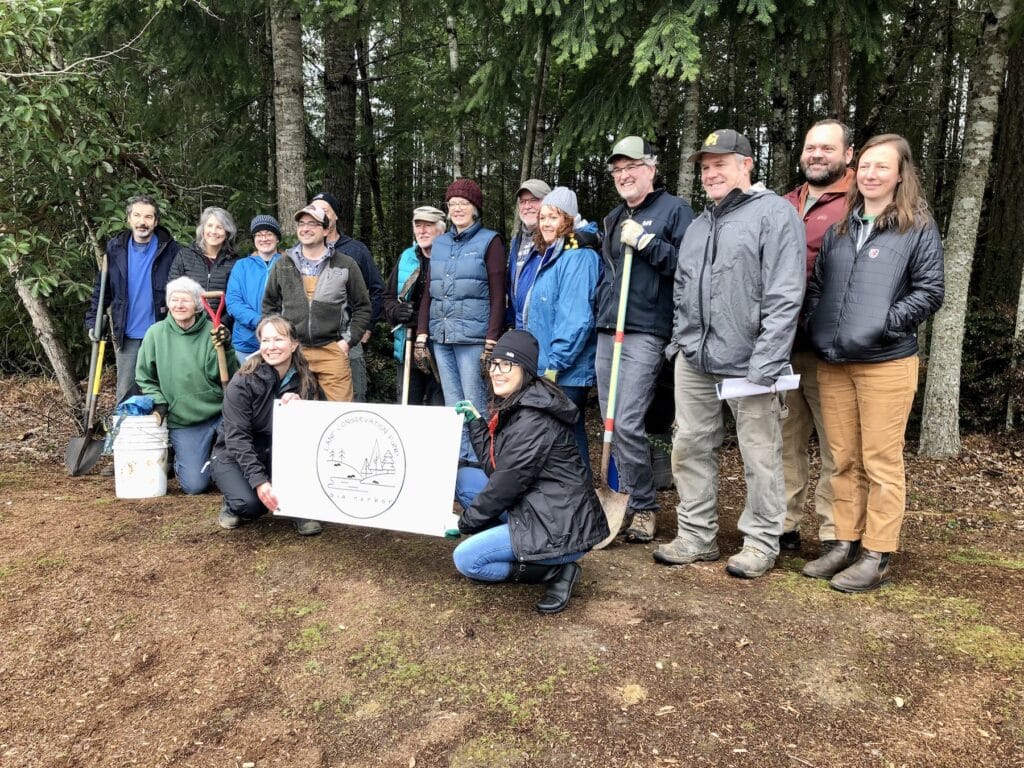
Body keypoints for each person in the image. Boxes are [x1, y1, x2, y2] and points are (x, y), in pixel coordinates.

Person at [657, 129, 805, 579]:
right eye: (705, 166)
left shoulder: (775, 214)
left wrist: (767, 359)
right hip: (695, 360)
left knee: (760, 454)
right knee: (689, 446)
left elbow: (785, 293)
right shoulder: (699, 225)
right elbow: (683, 288)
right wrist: (680, 343)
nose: (711, 172)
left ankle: (762, 542)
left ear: (747, 164)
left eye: (720, 163)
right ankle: (696, 536)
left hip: (751, 363)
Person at [801, 134, 944, 592]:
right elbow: (820, 285)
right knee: (843, 459)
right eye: (864, 166)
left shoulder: (916, 225)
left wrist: (883, 323)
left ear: (900, 174)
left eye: (882, 167)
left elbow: (929, 291)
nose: (871, 174)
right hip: (834, 361)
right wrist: (819, 326)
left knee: (881, 461)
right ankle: (844, 543)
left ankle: (877, 554)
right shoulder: (843, 228)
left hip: (885, 361)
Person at [451, 330, 609, 614]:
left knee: (468, 559)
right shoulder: (519, 403)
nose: (496, 372)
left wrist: (466, 524)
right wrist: (476, 424)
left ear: (524, 369)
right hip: (535, 506)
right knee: (465, 480)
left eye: (506, 365)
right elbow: (497, 468)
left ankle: (552, 570)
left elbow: (503, 486)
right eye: (493, 364)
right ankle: (515, 544)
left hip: (560, 528)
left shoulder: (532, 419)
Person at [597, 136, 694, 543]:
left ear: (651, 169)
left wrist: (649, 243)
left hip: (645, 330)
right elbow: (607, 273)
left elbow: (689, 268)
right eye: (618, 171)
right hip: (608, 329)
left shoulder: (675, 211)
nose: (624, 176)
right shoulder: (612, 218)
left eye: (631, 168)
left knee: (628, 422)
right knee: (609, 423)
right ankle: (619, 498)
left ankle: (644, 506)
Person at [779, 119, 856, 554]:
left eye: (827, 148)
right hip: (783, 346)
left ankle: (834, 533)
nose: (817, 154)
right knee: (785, 442)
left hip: (832, 348)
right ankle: (785, 525)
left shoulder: (858, 203)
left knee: (837, 447)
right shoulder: (785, 202)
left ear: (848, 154)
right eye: (811, 147)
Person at [415, 179, 506, 464]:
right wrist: (421, 335)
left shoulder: (490, 241)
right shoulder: (440, 243)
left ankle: (481, 461)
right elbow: (430, 292)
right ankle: (461, 460)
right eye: (452, 204)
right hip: (441, 338)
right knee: (453, 404)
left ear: (475, 208)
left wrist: (492, 340)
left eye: (463, 204)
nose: (457, 209)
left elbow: (497, 294)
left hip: (473, 339)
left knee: (475, 403)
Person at [211, 315, 323, 536]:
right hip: (235, 454)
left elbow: (318, 428)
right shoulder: (243, 381)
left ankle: (299, 509)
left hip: (280, 456)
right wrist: (260, 482)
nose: (271, 347)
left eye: (279, 340)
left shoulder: (306, 379)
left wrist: (303, 411)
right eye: (265, 340)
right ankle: (232, 501)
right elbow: (236, 438)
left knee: (292, 493)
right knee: (252, 504)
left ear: (293, 344)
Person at [518, 186, 600, 470]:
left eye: (554, 217)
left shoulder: (578, 257)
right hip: (547, 364)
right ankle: (566, 501)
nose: (546, 223)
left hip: (565, 370)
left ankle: (581, 501)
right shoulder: (555, 254)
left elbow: (576, 317)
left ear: (569, 218)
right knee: (554, 436)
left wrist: (556, 362)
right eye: (543, 217)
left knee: (567, 436)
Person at [135, 276, 239, 495]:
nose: (179, 305)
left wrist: (226, 349)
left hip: (219, 411)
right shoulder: (155, 334)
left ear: (198, 305)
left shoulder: (213, 331)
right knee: (194, 486)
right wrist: (160, 402)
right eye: (174, 299)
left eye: (186, 300)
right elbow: (145, 377)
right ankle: (204, 462)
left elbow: (227, 375)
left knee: (237, 469)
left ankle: (221, 462)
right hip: (184, 418)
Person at [262, 204, 371, 402]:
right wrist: (279, 340)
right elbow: (269, 306)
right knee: (294, 412)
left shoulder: (345, 264)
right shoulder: (283, 264)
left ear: (326, 230)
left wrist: (347, 341)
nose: (305, 228)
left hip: (332, 350)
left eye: (312, 223)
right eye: (301, 223)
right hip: (295, 352)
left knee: (340, 416)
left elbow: (363, 306)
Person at [85, 194, 180, 405]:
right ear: (128, 219)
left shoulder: (171, 250)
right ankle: (127, 436)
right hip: (127, 336)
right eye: (137, 215)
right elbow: (102, 289)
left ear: (155, 222)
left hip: (162, 334)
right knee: (126, 395)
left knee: (163, 392)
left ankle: (164, 437)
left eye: (148, 217)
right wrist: (94, 320)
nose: (142, 222)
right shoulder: (115, 248)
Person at [310, 192, 384, 402]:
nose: (320, 215)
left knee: (354, 398)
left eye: (325, 210)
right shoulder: (304, 252)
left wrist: (367, 326)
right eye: (315, 211)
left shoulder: (356, 250)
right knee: (312, 401)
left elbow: (377, 289)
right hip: (312, 339)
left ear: (335, 216)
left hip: (347, 336)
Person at [383, 206, 447, 405]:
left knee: (440, 407)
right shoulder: (407, 257)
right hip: (408, 346)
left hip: (441, 348)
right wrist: (395, 311)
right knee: (408, 406)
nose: (422, 231)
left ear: (441, 230)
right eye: (418, 226)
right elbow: (388, 297)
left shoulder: (451, 259)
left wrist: (420, 317)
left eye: (428, 226)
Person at [227, 215, 283, 365]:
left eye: (269, 234)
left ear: (277, 238)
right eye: (259, 235)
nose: (263, 238)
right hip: (246, 343)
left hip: (279, 342)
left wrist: (276, 326)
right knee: (247, 386)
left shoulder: (288, 264)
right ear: (254, 239)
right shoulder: (241, 266)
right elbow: (233, 302)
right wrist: (259, 321)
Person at [167, 206, 240, 315]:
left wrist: (223, 324)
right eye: (209, 226)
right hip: (190, 325)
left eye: (219, 227)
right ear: (203, 229)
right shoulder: (184, 256)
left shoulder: (236, 262)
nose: (213, 231)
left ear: (227, 232)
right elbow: (172, 292)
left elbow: (236, 300)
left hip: (221, 327)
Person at [506, 178, 551, 327]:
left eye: (534, 200)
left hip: (544, 325)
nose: (527, 206)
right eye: (523, 202)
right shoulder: (516, 241)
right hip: (520, 325)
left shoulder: (555, 240)